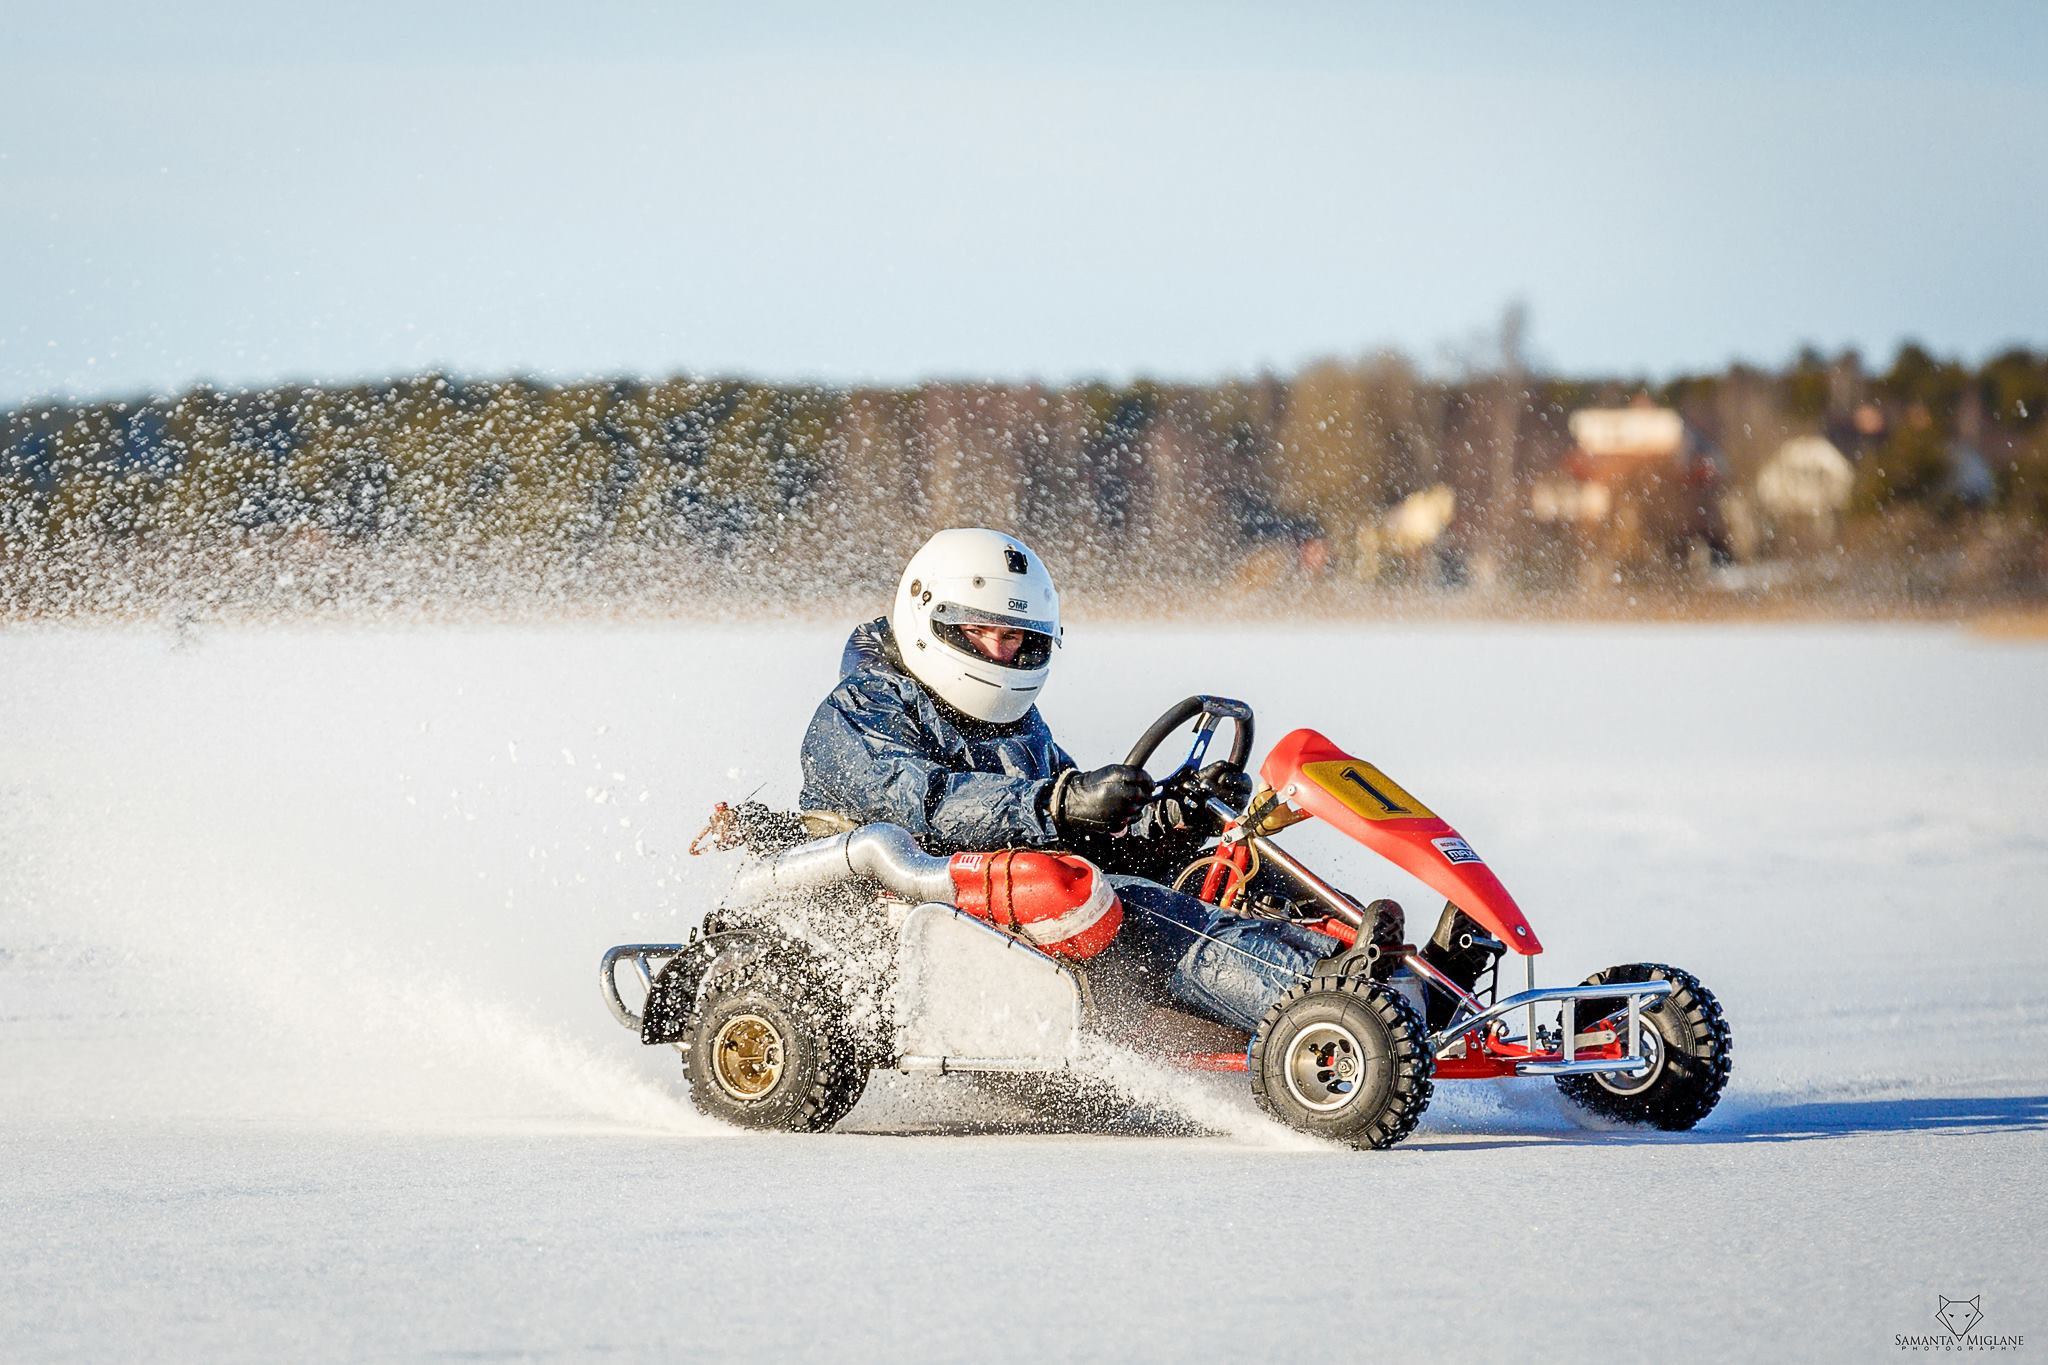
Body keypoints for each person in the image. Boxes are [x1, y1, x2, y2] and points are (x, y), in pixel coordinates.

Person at [799, 527, 1337, 1035]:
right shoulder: (859, 709)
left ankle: (1364, 962)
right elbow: (922, 799)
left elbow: (1079, 831)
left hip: (1017, 904)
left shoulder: (1015, 724)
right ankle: (1320, 1008)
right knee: (1142, 910)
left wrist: (1170, 818)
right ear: (929, 620)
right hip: (931, 905)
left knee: (1228, 870)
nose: (1000, 652)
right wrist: (1058, 802)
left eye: (1014, 636)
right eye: (979, 632)